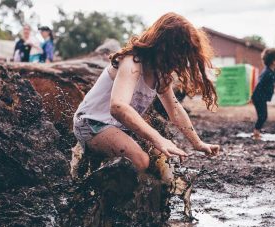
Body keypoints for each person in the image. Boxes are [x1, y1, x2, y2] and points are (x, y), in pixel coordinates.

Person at [73, 12, 220, 174]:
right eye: (178, 55)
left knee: (163, 162)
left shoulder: (160, 74)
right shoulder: (132, 63)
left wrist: (197, 143)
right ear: (163, 46)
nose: (179, 62)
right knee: (140, 160)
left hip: (120, 127)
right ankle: (95, 190)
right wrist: (158, 138)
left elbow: (175, 110)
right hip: (91, 123)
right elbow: (118, 107)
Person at [251, 48, 275, 139]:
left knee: (263, 115)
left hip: (261, 97)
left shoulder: (270, 71)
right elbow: (259, 84)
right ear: (274, 61)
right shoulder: (267, 72)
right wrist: (255, 96)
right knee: (263, 116)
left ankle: (257, 132)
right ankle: (256, 133)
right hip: (259, 97)